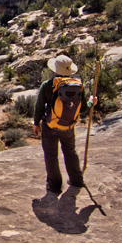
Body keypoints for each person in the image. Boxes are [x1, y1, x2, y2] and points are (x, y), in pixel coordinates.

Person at [33, 55, 97, 193]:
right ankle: (76, 180)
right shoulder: (78, 85)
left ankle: (55, 185)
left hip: (50, 126)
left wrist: (36, 123)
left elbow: (39, 107)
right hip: (68, 125)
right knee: (70, 152)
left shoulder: (48, 85)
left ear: (55, 69)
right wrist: (92, 101)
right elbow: (84, 108)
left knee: (51, 154)